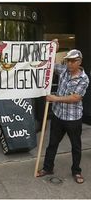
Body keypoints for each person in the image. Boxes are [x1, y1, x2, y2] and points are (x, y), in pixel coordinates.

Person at [37, 43, 89, 184]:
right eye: (68, 61)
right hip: (58, 116)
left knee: (76, 146)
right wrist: (54, 48)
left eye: (73, 61)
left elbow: (75, 98)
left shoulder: (83, 79)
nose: (70, 64)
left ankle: (76, 171)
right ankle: (48, 168)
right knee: (52, 143)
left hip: (73, 119)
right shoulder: (64, 70)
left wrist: (55, 98)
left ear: (79, 61)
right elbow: (48, 64)